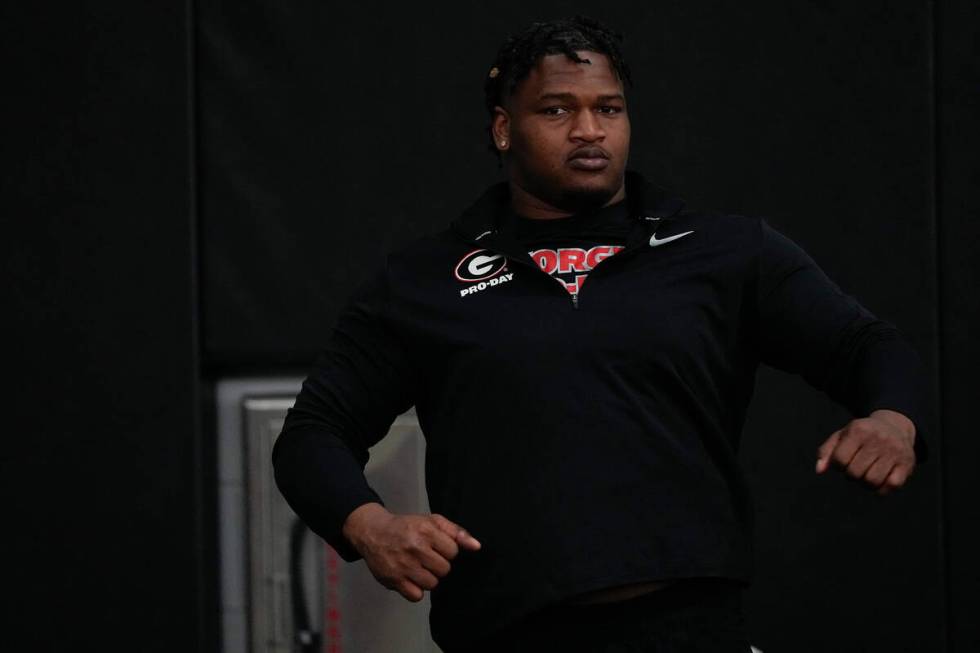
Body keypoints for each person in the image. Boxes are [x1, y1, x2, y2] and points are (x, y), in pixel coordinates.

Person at [272, 15, 928, 653]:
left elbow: (865, 344)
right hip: (508, 632)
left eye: (608, 109)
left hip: (691, 628)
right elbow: (312, 434)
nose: (589, 130)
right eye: (557, 110)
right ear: (504, 129)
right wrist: (370, 524)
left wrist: (893, 418)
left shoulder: (723, 252)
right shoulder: (425, 280)